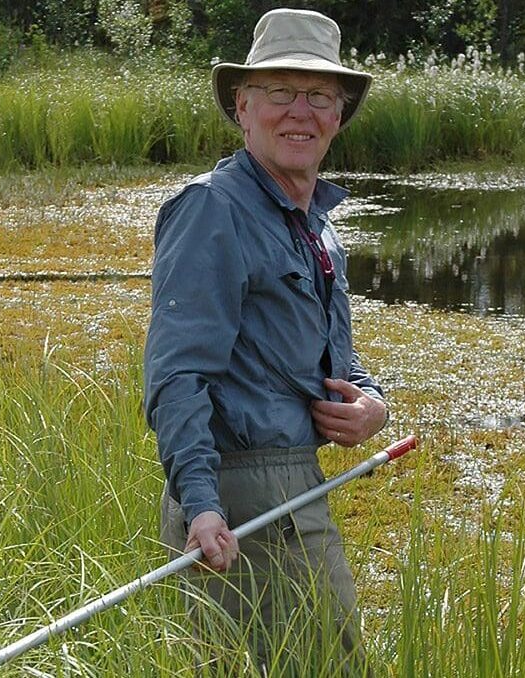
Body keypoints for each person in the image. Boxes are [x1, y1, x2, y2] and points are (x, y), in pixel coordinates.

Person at [143, 8, 388, 674]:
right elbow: (177, 375)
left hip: (297, 483)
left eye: (319, 96)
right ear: (243, 108)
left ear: (339, 116)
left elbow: (336, 360)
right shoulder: (212, 210)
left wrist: (372, 405)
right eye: (280, 92)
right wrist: (199, 503)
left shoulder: (318, 225)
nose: (299, 111)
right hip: (235, 496)